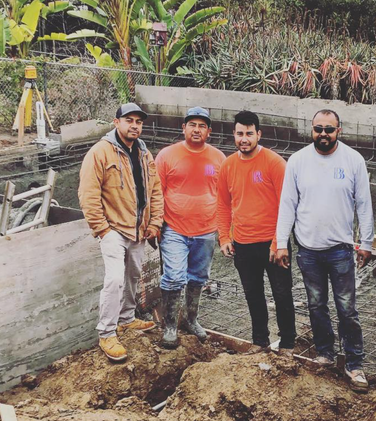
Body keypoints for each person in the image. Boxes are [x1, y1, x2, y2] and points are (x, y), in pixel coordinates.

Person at [276, 109, 374, 392]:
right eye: (318, 129)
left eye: (329, 130)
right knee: (316, 305)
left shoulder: (353, 160)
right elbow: (287, 205)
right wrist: (282, 242)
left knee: (347, 308)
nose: (323, 134)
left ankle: (355, 364)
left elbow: (364, 205)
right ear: (312, 129)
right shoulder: (298, 161)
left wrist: (366, 243)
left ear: (339, 131)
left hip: (340, 250)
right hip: (308, 250)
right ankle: (325, 353)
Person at [79, 103, 164, 362]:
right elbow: (88, 194)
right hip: (113, 229)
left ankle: (127, 318)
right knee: (114, 279)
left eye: (139, 121)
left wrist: (154, 223)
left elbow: (155, 190)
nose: (135, 125)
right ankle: (106, 332)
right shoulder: (100, 153)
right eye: (129, 120)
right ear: (116, 123)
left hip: (138, 230)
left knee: (133, 276)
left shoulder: (143, 152)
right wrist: (102, 229)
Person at [217, 110, 296, 356]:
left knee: (282, 294)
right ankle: (259, 340)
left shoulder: (274, 163)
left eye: (249, 133)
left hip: (273, 243)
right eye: (240, 133)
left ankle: (288, 344)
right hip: (243, 243)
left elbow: (287, 204)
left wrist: (278, 242)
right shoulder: (228, 166)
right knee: (253, 294)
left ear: (258, 134)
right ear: (234, 134)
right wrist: (224, 237)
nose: (244, 138)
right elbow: (222, 203)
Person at [155, 106, 225, 348]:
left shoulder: (218, 158)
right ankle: (171, 325)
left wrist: (225, 231)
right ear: (183, 128)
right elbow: (156, 193)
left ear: (209, 131)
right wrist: (154, 224)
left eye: (202, 126)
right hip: (174, 228)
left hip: (206, 230)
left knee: (198, 277)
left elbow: (225, 196)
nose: (197, 129)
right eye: (192, 125)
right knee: (174, 277)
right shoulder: (166, 156)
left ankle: (191, 320)